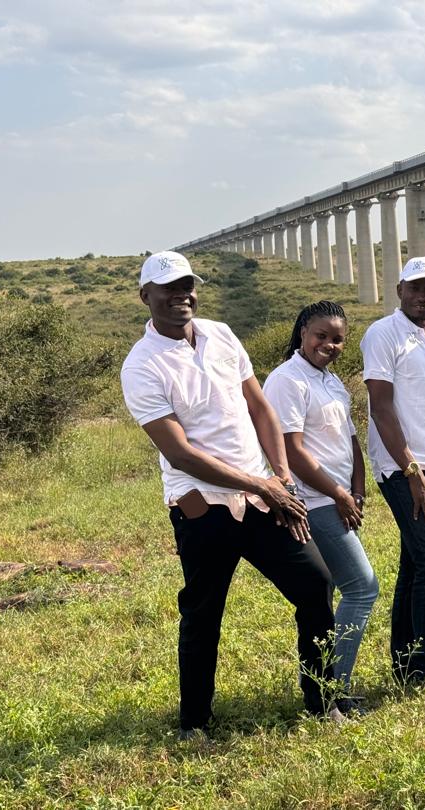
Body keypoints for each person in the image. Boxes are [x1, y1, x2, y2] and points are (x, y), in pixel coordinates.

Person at [119, 251, 338, 738]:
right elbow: (181, 454)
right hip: (203, 507)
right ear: (146, 297)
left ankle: (321, 701)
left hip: (262, 499)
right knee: (203, 612)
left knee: (315, 586)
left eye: (187, 285)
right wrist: (260, 483)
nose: (182, 295)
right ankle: (194, 722)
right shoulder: (141, 366)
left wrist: (279, 476)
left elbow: (259, 407)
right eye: (169, 288)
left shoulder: (220, 334)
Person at [262, 301, 379, 712]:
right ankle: (332, 689)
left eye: (338, 339)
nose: (329, 345)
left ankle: (328, 687)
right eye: (321, 336)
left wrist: (357, 488)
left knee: (336, 592)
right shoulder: (287, 381)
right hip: (314, 502)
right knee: (362, 587)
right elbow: (291, 451)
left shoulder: (331, 382)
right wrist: (338, 493)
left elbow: (348, 440)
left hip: (339, 499)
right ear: (301, 334)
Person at [361, 256, 425, 689]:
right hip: (402, 468)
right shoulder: (383, 334)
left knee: (415, 564)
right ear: (399, 288)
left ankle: (403, 662)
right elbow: (381, 406)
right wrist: (411, 471)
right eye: (417, 288)